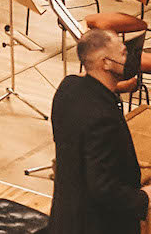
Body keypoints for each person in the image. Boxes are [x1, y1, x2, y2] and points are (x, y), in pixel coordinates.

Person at [48, 27, 148, 234]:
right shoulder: (103, 118)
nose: (128, 56)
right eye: (122, 53)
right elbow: (103, 188)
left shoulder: (68, 88)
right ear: (106, 63)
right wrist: (145, 197)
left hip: (65, 216)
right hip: (96, 225)